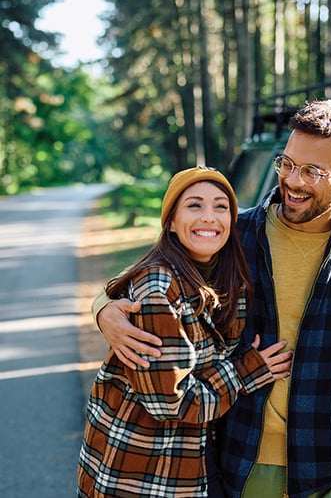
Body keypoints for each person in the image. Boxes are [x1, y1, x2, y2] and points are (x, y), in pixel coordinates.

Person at [94, 99, 331, 497]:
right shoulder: (232, 235)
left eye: (312, 171)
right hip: (248, 458)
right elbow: (150, 276)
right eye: (286, 164)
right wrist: (103, 309)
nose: (293, 180)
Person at [78, 166, 293, 497]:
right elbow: (173, 403)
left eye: (221, 207)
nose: (209, 217)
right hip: (141, 470)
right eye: (194, 205)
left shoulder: (227, 278)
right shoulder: (157, 289)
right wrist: (247, 371)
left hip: (198, 458)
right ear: (172, 223)